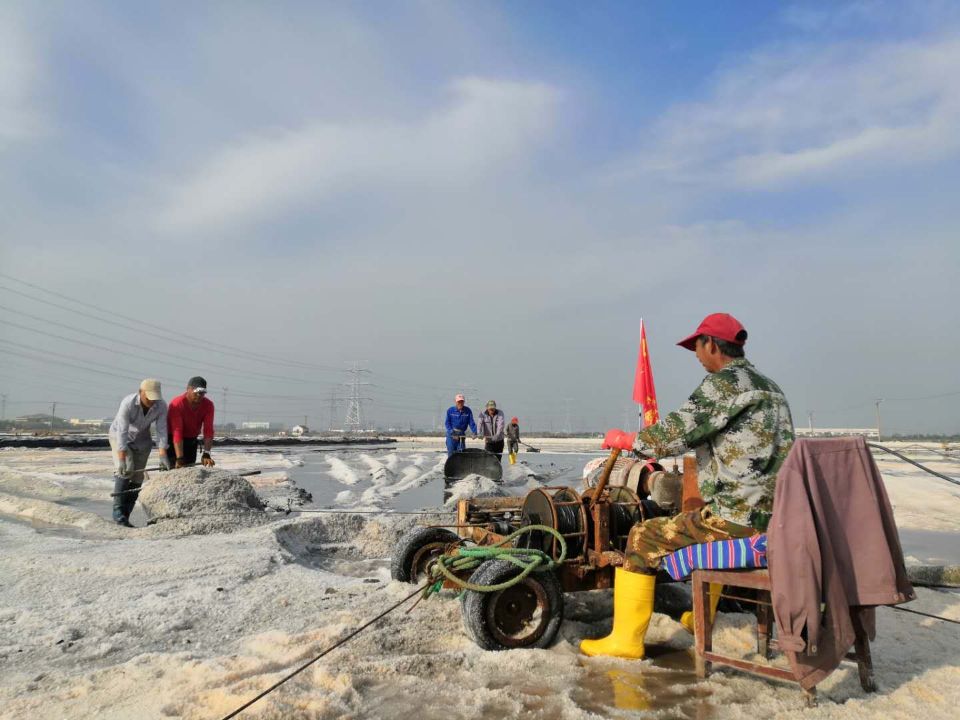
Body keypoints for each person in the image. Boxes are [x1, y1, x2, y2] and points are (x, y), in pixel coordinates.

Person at [580, 312, 795, 659]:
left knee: (643, 536)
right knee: (705, 517)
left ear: (712, 345)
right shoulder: (771, 388)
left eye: (697, 346)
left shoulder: (724, 384)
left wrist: (626, 439)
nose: (696, 354)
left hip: (739, 523)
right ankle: (700, 617)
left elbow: (674, 435)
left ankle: (625, 642)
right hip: (779, 519)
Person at [108, 378, 170, 527]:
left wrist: (163, 454)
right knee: (126, 470)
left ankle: (126, 515)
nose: (152, 402)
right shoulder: (128, 403)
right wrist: (121, 458)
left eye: (154, 398)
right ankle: (117, 512)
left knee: (137, 476)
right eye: (149, 398)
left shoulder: (161, 405)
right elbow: (122, 431)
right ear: (140, 392)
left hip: (142, 440)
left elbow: (161, 430)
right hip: (120, 437)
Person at [167, 376, 216, 468]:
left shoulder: (208, 405)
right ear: (188, 389)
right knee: (171, 469)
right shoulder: (177, 404)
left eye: (202, 393)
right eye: (196, 392)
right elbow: (177, 431)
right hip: (173, 440)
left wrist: (206, 453)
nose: (199, 395)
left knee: (189, 470)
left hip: (191, 440)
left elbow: (208, 430)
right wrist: (180, 458)